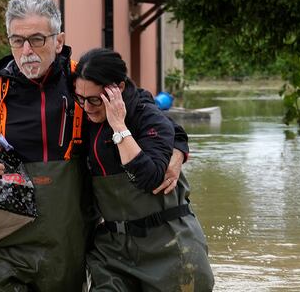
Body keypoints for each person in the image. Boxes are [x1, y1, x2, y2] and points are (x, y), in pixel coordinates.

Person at [0, 0, 188, 291]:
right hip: (3, 243)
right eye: (17, 41)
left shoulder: (83, 82)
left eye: (37, 39)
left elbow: (153, 117)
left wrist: (178, 152)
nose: (26, 51)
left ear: (59, 41)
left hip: (68, 245)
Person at [73, 48, 215, 291]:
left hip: (170, 247)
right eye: (80, 98)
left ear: (117, 88)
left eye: (95, 100)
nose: (86, 107)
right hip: (113, 251)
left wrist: (118, 127)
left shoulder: (147, 116)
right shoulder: (86, 118)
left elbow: (149, 178)